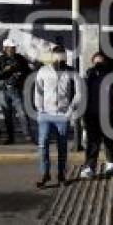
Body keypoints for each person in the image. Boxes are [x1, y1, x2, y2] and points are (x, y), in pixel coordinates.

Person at [34, 45, 80, 188]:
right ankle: (45, 174)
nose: (59, 58)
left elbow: (79, 93)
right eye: (57, 56)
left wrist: (70, 110)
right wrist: (39, 108)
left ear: (65, 57)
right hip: (46, 114)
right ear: (52, 56)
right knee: (43, 145)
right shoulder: (43, 70)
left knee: (62, 147)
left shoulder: (72, 72)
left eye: (62, 56)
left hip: (62, 114)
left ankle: (61, 175)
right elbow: (38, 90)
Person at [80, 51, 113, 179]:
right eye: (96, 61)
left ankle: (111, 163)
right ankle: (90, 166)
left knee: (109, 140)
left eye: (101, 61)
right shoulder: (87, 75)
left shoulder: (110, 75)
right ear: (92, 62)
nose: (99, 63)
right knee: (92, 142)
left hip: (107, 113)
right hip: (91, 114)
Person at [0, 38, 34, 144]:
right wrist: (4, 71)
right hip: (3, 91)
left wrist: (20, 76)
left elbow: (28, 72)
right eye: (11, 48)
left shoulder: (20, 58)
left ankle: (28, 136)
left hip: (16, 90)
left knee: (22, 113)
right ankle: (10, 138)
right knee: (7, 115)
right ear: (5, 48)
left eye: (14, 47)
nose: (14, 49)